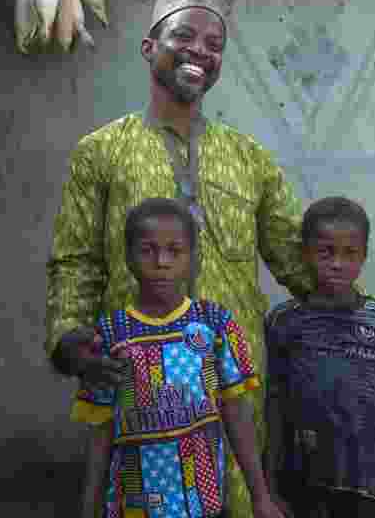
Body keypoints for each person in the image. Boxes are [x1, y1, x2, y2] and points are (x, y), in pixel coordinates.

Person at [45, 0, 375, 518]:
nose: (200, 50)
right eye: (185, 35)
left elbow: (301, 259)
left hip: (234, 385)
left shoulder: (248, 158)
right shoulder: (101, 153)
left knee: (242, 500)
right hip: (139, 386)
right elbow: (76, 260)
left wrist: (373, 319)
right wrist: (69, 339)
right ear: (150, 47)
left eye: (215, 44)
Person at [73, 198, 286, 518]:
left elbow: (236, 412)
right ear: (128, 256)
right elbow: (101, 429)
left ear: (192, 257)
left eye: (175, 250)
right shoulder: (110, 334)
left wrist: (261, 496)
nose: (161, 261)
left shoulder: (214, 323)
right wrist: (88, 506)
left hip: (203, 503)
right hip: (134, 506)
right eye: (147, 250)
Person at [263, 196, 375, 518]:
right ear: (305, 254)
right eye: (325, 252)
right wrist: (269, 487)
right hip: (303, 481)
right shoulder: (284, 321)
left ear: (363, 257)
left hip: (372, 484)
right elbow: (274, 405)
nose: (337, 263)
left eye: (350, 254)